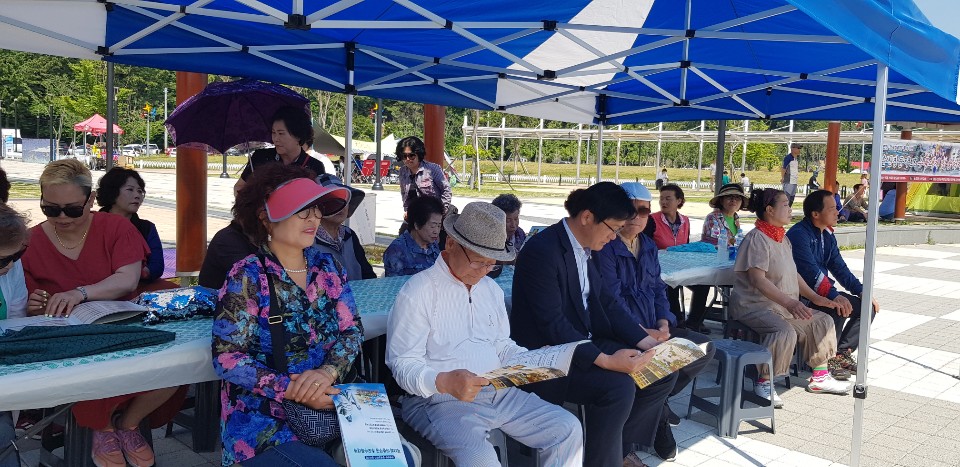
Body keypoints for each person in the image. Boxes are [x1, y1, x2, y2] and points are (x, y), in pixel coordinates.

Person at [387, 202, 583, 466]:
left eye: (491, 264)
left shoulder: (490, 289)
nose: (483, 271)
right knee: (481, 459)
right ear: (451, 244)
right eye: (478, 261)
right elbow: (402, 363)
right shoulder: (418, 292)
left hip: (498, 392)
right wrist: (444, 381)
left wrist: (534, 360)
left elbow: (501, 345)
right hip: (438, 400)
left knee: (567, 428)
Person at [20, 159, 183, 467]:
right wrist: (33, 303)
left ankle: (128, 423)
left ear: (91, 199)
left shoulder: (115, 227)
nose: (62, 217)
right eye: (51, 209)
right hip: (67, 337)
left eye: (72, 209)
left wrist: (80, 293)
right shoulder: (30, 241)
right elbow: (25, 301)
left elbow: (128, 279)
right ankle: (103, 428)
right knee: (86, 367)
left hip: (123, 322)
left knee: (176, 362)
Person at [511, 182, 678, 467]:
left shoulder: (585, 247)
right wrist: (606, 360)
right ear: (587, 217)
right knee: (618, 386)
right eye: (613, 228)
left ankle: (617, 449)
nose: (614, 237)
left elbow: (608, 303)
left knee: (660, 370)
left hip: (583, 341)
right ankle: (606, 458)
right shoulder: (543, 250)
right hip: (547, 355)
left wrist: (646, 342)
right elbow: (553, 324)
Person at [212, 165, 364, 466]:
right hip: (264, 421)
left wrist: (326, 373)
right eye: (301, 210)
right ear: (265, 217)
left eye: (316, 208)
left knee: (398, 458)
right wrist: (292, 389)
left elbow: (352, 330)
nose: (313, 218)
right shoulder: (247, 276)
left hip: (332, 403)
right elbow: (227, 357)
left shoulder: (328, 267)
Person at [594, 183, 715, 431]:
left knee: (703, 348)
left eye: (643, 211)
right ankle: (654, 420)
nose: (635, 217)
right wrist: (642, 333)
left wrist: (663, 323)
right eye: (629, 210)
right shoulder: (604, 247)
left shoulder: (648, 245)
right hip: (621, 333)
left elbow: (658, 289)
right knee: (663, 370)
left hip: (654, 329)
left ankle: (657, 404)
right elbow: (611, 300)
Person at [729, 188, 850, 408]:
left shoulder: (782, 238)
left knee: (822, 321)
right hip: (755, 306)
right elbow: (757, 279)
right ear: (769, 210)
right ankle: (764, 381)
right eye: (785, 205)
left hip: (781, 307)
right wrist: (790, 302)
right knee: (783, 332)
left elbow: (794, 274)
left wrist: (815, 297)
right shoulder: (757, 238)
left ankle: (820, 376)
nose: (790, 209)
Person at [787, 190, 879, 379]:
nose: (838, 212)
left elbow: (839, 268)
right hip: (802, 296)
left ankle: (841, 353)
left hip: (823, 292)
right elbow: (811, 274)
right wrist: (834, 296)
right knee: (837, 308)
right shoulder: (799, 235)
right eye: (832, 209)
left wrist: (861, 291)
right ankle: (825, 359)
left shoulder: (827, 235)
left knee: (867, 308)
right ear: (815, 214)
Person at [651, 184, 710, 329]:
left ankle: (694, 322)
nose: (663, 202)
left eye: (668, 198)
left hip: (681, 267)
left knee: (703, 284)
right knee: (670, 285)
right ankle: (677, 322)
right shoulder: (651, 220)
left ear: (679, 201)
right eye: (661, 198)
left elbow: (686, 246)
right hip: (659, 269)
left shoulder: (685, 221)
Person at [693, 183, 749, 331]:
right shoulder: (713, 218)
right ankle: (695, 321)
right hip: (709, 263)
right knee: (703, 286)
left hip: (728, 263)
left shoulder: (735, 218)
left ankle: (739, 319)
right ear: (721, 200)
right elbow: (716, 243)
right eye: (729, 197)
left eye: (737, 198)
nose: (733, 200)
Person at [234, 106, 327, 195]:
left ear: (298, 136)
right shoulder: (261, 157)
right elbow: (239, 187)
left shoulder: (315, 166)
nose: (275, 139)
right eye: (273, 132)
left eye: (281, 133)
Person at [95, 167, 164, 283]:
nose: (137, 195)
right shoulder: (93, 224)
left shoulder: (147, 228)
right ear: (112, 192)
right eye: (130, 190)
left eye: (140, 191)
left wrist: (138, 272)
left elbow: (157, 265)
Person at [0, 204, 28, 467]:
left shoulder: (12, 266)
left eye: (17, 255)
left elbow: (17, 314)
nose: (9, 265)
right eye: (1, 260)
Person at [314, 173, 375, 281]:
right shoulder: (308, 239)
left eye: (344, 199)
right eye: (332, 201)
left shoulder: (349, 235)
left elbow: (367, 274)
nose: (340, 206)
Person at [396, 136, 451, 232]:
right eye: (404, 156)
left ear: (419, 154)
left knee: (430, 238)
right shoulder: (402, 171)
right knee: (403, 234)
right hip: (415, 215)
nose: (407, 159)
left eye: (411, 155)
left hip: (433, 215)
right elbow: (404, 194)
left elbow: (446, 190)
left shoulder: (432, 169)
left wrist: (440, 213)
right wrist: (407, 211)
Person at [383, 196, 443, 277]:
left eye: (439, 226)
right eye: (432, 226)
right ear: (417, 225)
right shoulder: (397, 251)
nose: (436, 231)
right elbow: (395, 283)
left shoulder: (433, 245)